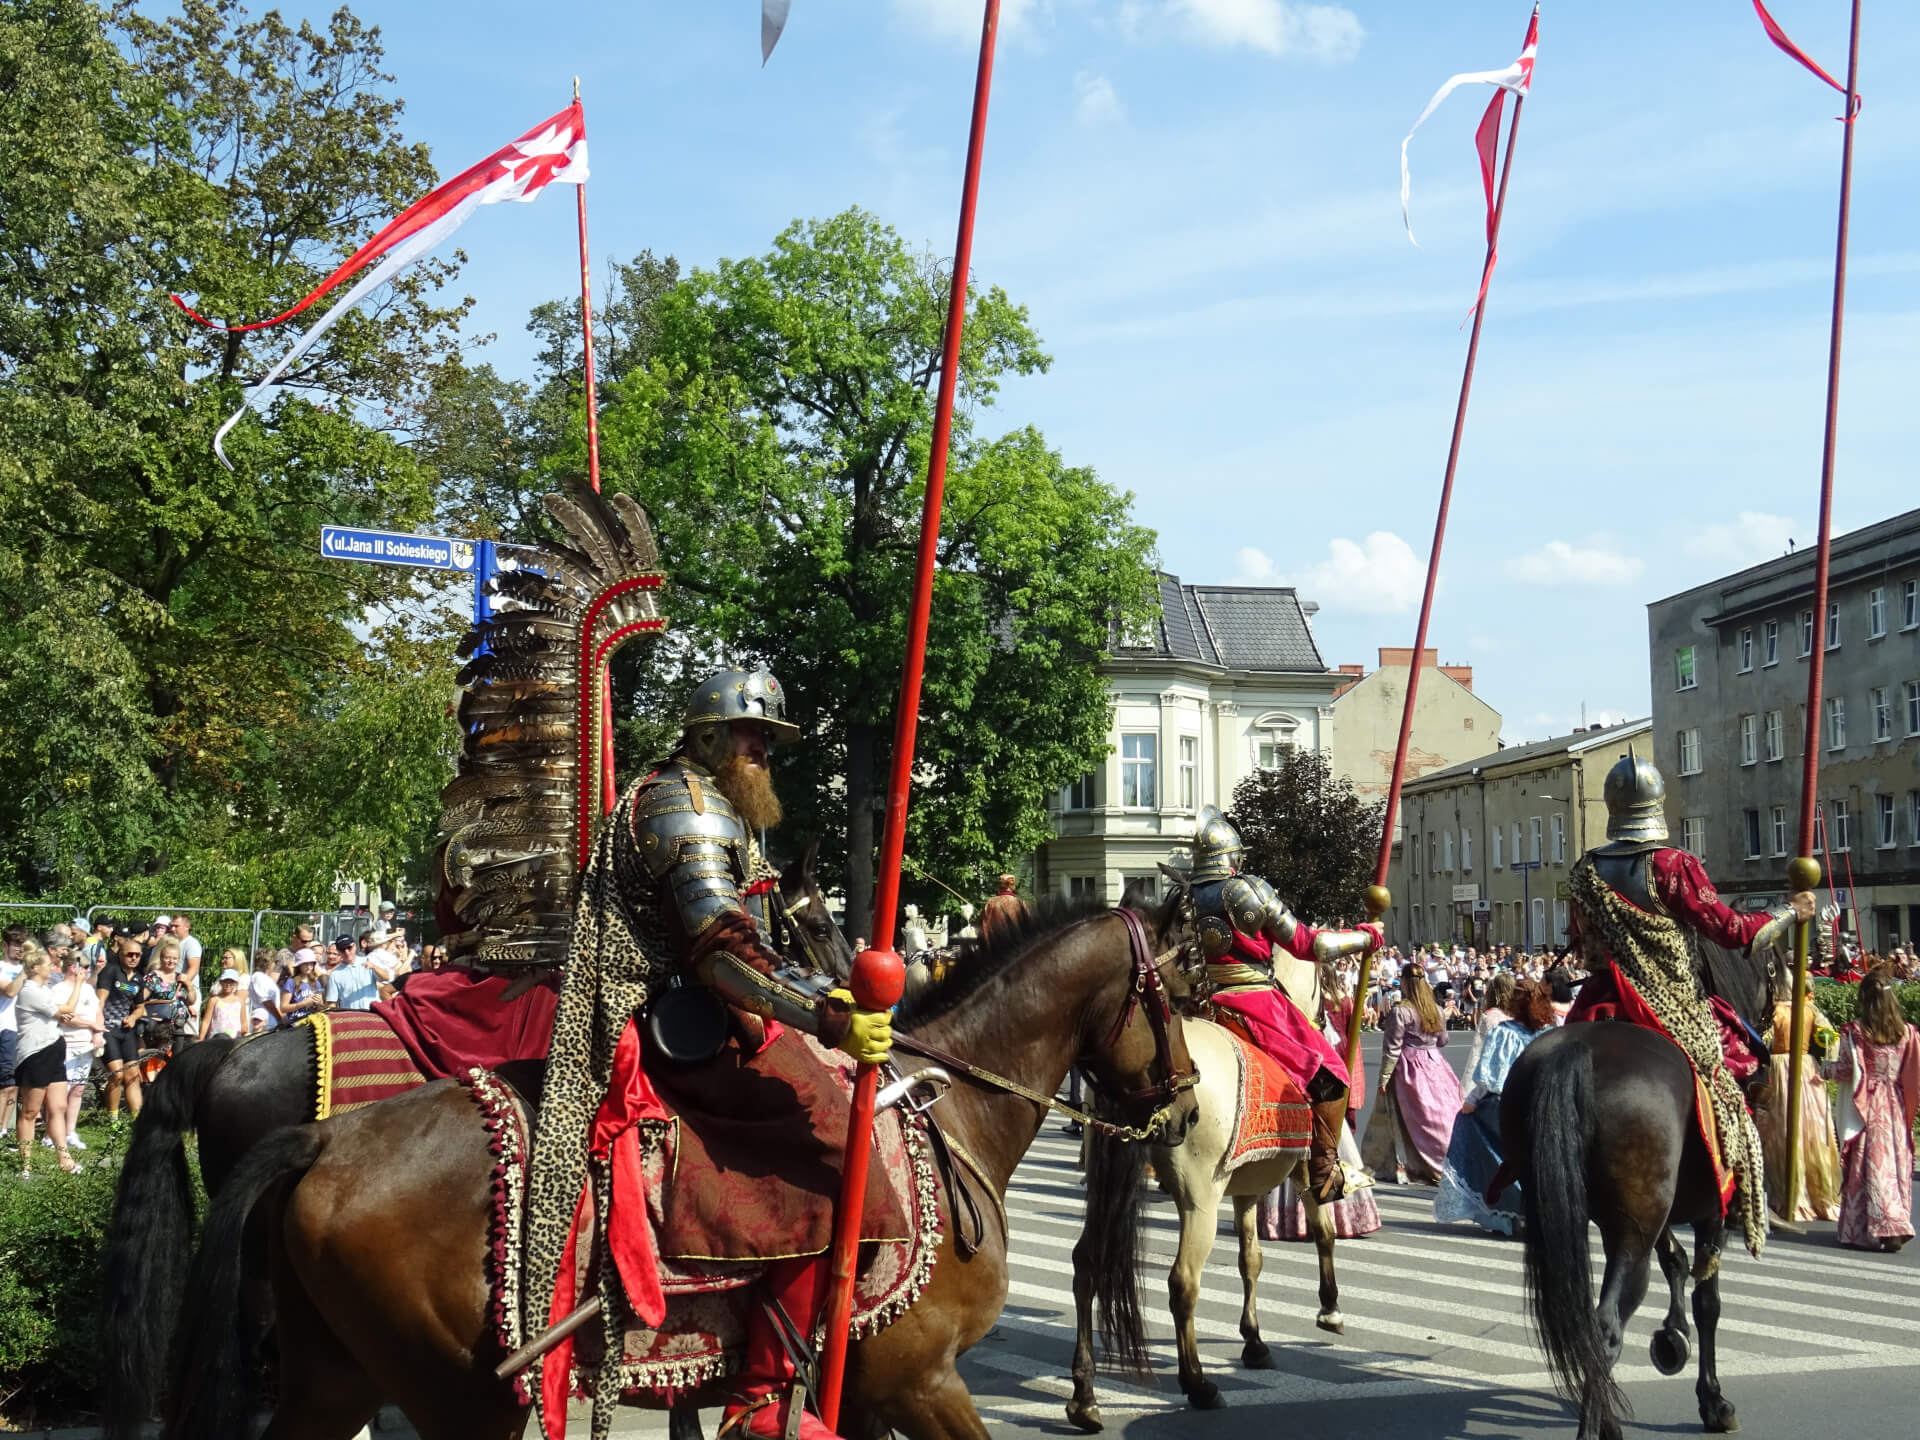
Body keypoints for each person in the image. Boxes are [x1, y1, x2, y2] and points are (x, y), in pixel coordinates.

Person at [523, 668, 894, 1440]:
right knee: (824, 1144)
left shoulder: (716, 804)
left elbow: (752, 940)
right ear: (707, 738)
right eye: (754, 737)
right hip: (666, 1021)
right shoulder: (685, 807)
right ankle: (762, 1398)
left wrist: (829, 996)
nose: (765, 752)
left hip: (707, 1009)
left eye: (769, 741)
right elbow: (719, 951)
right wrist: (829, 1017)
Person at [1564, 752, 1811, 1257]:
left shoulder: (1586, 870)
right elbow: (1734, 932)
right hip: (1668, 1002)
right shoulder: (1672, 864)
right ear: (1656, 804)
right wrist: (1791, 910)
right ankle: (1740, 1189)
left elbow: (1578, 937)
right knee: (1729, 1075)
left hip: (1598, 1000)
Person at [1183, 805, 1383, 1203]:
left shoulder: (1184, 896)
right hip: (1255, 1003)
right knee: (1330, 1073)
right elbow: (1311, 945)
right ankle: (1326, 1172)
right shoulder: (1246, 890)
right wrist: (1365, 937)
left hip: (1201, 1004)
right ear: (1233, 857)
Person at [1435, 979, 1556, 1234]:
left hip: (1506, 1103)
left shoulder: (1504, 1031)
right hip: (1541, 1103)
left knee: (1470, 1130)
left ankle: (1500, 1211)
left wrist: (1470, 1102)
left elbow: (1489, 1078)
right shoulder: (1548, 1033)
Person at [1825, 966, 1920, 1252]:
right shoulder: (1907, 1033)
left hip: (1867, 1104)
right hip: (1896, 1104)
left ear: (1864, 999)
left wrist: (1823, 1069)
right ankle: (1896, 1221)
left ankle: (1868, 1227)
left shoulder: (1856, 1032)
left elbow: (1844, 1069)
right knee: (1894, 1163)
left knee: (1867, 1165)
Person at [1755, 986, 1842, 1222]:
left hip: (1779, 1068)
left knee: (1782, 1130)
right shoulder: (1810, 1010)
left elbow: (1763, 1040)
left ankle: (1787, 1194)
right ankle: (1818, 1193)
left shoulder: (1773, 1011)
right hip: (1806, 1067)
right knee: (1812, 1130)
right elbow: (1831, 1038)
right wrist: (1827, 1064)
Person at [1377, 967, 1461, 1184]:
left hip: (1410, 1065)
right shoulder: (1436, 1009)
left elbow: (1392, 1047)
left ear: (1404, 983)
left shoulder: (1401, 1012)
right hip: (1437, 1064)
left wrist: (1384, 1076)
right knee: (1442, 1114)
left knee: (1416, 1119)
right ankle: (1452, 1158)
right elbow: (1443, 1040)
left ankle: (1426, 1164)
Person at [3, 943, 81, 1175]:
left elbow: (67, 1014)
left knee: (58, 1106)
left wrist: (65, 1010)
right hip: (35, 1054)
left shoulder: (45, 989)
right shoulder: (29, 991)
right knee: (29, 1110)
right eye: (48, 965)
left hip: (54, 1048)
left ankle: (64, 1159)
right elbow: (66, 1008)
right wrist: (78, 984)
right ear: (36, 968)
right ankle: (25, 1164)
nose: (52, 968)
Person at [96, 929, 148, 1123]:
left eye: (137, 955)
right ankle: (113, 1119)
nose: (133, 958)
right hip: (108, 1028)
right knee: (117, 1074)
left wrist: (134, 1017)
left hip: (127, 1030)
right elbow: (100, 1000)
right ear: (121, 954)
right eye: (129, 954)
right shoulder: (111, 971)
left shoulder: (138, 979)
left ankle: (138, 1120)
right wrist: (97, 1027)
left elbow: (140, 1007)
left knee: (133, 1074)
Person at [53, 950, 104, 1149]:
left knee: (78, 1089)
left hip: (86, 1046)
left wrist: (98, 1034)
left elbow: (98, 1012)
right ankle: (52, 1135)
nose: (87, 970)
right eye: (84, 967)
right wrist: (91, 1025)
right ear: (73, 968)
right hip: (66, 1045)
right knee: (60, 1091)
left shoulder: (89, 990)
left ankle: (70, 1132)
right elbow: (66, 1018)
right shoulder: (58, 990)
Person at [0, 924, 24, 1147]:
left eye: (22, 945)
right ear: (5, 945)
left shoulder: (28, 968)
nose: (19, 949)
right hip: (5, 1028)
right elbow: (9, 991)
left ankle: (5, 1128)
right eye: (15, 944)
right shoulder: (1, 967)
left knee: (15, 1084)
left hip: (24, 1030)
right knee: (6, 1083)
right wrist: (26, 972)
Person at [199, 962, 249, 1040]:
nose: (228, 984)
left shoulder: (239, 1002)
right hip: (215, 1039)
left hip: (234, 1040)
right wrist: (201, 1038)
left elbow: (244, 1022)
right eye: (226, 981)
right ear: (221, 982)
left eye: (231, 982)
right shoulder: (214, 1000)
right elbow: (206, 1021)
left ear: (236, 983)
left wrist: (245, 1035)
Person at [979, 873, 1029, 942]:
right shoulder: (1020, 903)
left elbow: (983, 926)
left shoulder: (991, 902)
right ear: (1012, 886)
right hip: (1017, 945)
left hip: (996, 945)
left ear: (999, 886)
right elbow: (1028, 926)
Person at [248, 950, 285, 1033]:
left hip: (271, 1019)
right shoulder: (258, 977)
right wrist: (279, 1018)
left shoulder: (265, 978)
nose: (275, 965)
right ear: (269, 963)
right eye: (275, 962)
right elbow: (266, 1001)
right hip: (265, 1019)